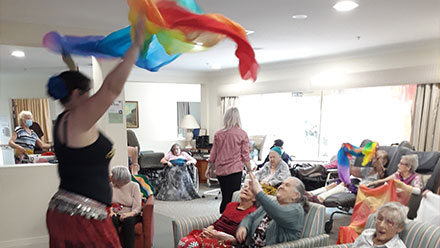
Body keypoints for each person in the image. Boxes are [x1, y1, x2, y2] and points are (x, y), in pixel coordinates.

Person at [46, 18, 145, 247]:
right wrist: (136, 45)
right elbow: (111, 87)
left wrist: (69, 61)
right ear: (76, 94)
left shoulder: (65, 119)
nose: (92, 99)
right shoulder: (79, 119)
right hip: (82, 217)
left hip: (67, 211)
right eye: (88, 93)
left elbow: (73, 84)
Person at [236, 174, 308, 247]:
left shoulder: (297, 211)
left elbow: (278, 212)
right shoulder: (273, 204)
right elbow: (250, 217)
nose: (281, 187)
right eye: (281, 184)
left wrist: (258, 191)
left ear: (296, 195)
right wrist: (244, 226)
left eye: (287, 185)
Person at [178, 182, 257, 248]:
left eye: (250, 189)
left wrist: (220, 236)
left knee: (191, 245)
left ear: (255, 198)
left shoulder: (253, 212)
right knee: (183, 241)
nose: (246, 189)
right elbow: (219, 221)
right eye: (245, 187)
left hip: (227, 241)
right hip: (214, 234)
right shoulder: (231, 205)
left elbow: (244, 239)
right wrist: (209, 229)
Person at [209, 107, 253, 213]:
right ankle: (228, 220)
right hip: (234, 170)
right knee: (233, 198)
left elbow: (213, 153)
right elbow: (245, 155)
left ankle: (222, 217)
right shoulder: (242, 134)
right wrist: (250, 170)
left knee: (225, 196)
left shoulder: (218, 134)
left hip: (221, 171)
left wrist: (208, 168)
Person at [308, 150, 389, 203]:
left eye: (374, 159)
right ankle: (311, 193)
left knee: (344, 184)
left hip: (363, 191)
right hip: (358, 186)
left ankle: (320, 198)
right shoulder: (369, 169)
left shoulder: (380, 174)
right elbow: (354, 171)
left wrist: (380, 163)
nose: (372, 160)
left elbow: (378, 184)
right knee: (338, 183)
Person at [110, 166, 142, 248]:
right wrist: (111, 211)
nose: (111, 177)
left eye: (113, 175)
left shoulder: (134, 186)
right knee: (112, 219)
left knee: (128, 221)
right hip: (115, 212)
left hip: (131, 213)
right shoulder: (110, 186)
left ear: (119, 177)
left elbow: (138, 207)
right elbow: (107, 202)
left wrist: (129, 214)